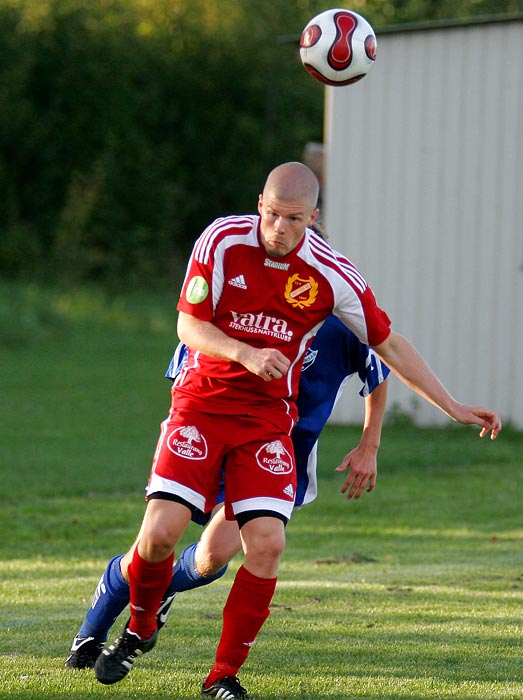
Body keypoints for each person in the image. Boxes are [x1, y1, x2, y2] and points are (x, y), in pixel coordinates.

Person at [89, 162, 500, 699]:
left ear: (314, 217)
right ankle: (140, 627)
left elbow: (390, 345)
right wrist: (244, 352)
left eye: (294, 219)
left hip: (265, 422)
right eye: (274, 214)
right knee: (161, 533)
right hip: (202, 404)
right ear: (260, 203)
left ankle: (223, 676)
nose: (280, 229)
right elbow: (187, 324)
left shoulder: (331, 273)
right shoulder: (221, 239)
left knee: (267, 544)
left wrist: (451, 405)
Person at [65, 313, 390, 671]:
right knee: (154, 544)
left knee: (213, 559)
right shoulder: (230, 305)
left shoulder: (339, 316)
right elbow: (184, 373)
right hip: (209, 437)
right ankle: (90, 633)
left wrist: (368, 445)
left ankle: (162, 591)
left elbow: (380, 368)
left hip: (273, 454)